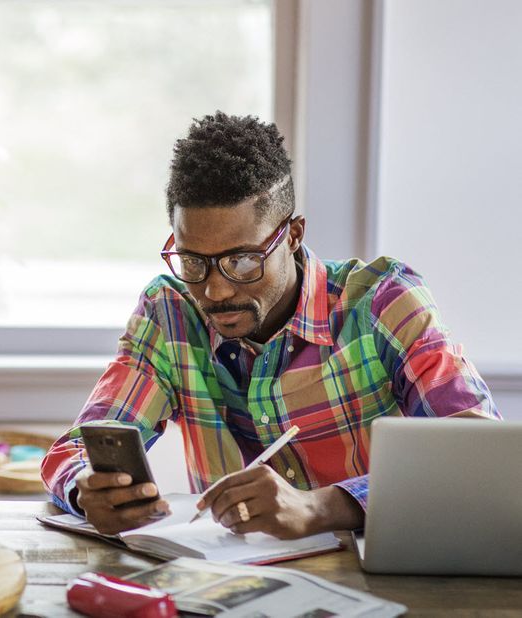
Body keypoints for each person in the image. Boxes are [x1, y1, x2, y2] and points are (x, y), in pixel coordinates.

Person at [41, 111, 499, 539]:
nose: (215, 291)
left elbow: (479, 455)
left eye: (241, 260)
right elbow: (76, 448)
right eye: (193, 261)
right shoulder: (169, 313)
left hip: (373, 579)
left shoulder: (382, 302)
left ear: (293, 235)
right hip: (233, 589)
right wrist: (86, 489)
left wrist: (322, 507)